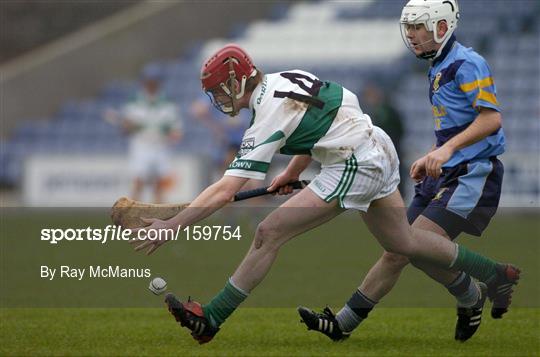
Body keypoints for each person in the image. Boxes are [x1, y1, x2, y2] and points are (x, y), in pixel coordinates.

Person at [130, 44, 519, 344]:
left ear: (235, 81)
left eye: (219, 90)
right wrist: (294, 171)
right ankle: (495, 273)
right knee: (403, 242)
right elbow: (334, 110)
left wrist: (174, 224)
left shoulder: (265, 116)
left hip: (354, 161)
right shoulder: (287, 78)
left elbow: (226, 191)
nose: (218, 99)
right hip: (376, 147)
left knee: (269, 232)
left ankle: (211, 319)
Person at [301, 0, 510, 343]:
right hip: (444, 172)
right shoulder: (436, 66)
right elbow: (454, 126)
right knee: (400, 250)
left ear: (443, 27)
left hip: (472, 172)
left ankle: (491, 279)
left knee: (412, 245)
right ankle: (343, 323)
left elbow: (491, 118)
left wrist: (445, 150)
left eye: (420, 27)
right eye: (409, 28)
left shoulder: (467, 63)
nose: (412, 36)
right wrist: (431, 154)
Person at [105, 64, 182, 203]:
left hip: (161, 146)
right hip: (141, 145)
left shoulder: (168, 103)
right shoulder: (133, 102)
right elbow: (125, 130)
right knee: (138, 181)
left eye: (154, 81)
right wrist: (128, 126)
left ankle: (160, 220)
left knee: (159, 184)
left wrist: (172, 134)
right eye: (149, 81)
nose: (151, 84)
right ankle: (133, 219)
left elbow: (175, 129)